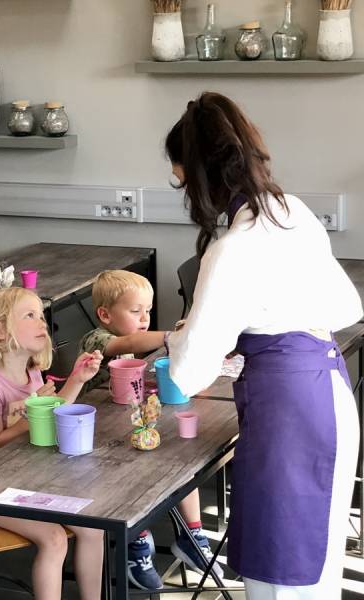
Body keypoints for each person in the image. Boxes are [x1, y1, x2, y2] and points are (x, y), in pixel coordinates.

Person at [164, 92, 362, 599]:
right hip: (328, 394)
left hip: (288, 418)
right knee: (315, 575)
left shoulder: (232, 249)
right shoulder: (290, 211)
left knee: (281, 579)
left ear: (201, 177)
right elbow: (345, 307)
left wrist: (180, 337)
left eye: (181, 181)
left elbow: (189, 371)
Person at [78, 269, 222, 590]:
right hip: (99, 436)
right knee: (130, 477)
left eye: (148, 310)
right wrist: (170, 337)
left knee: (182, 460)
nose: (144, 318)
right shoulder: (96, 339)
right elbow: (126, 343)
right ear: (105, 315)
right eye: (135, 311)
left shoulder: (131, 339)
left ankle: (192, 534)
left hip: (129, 424)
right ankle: (136, 540)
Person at [0, 286, 105, 600]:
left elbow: (55, 414)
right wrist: (33, 414)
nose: (43, 322)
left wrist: (77, 379)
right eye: (30, 315)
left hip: (32, 483)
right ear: (0, 331)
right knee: (54, 538)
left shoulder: (34, 375)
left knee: (94, 526)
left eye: (41, 315)